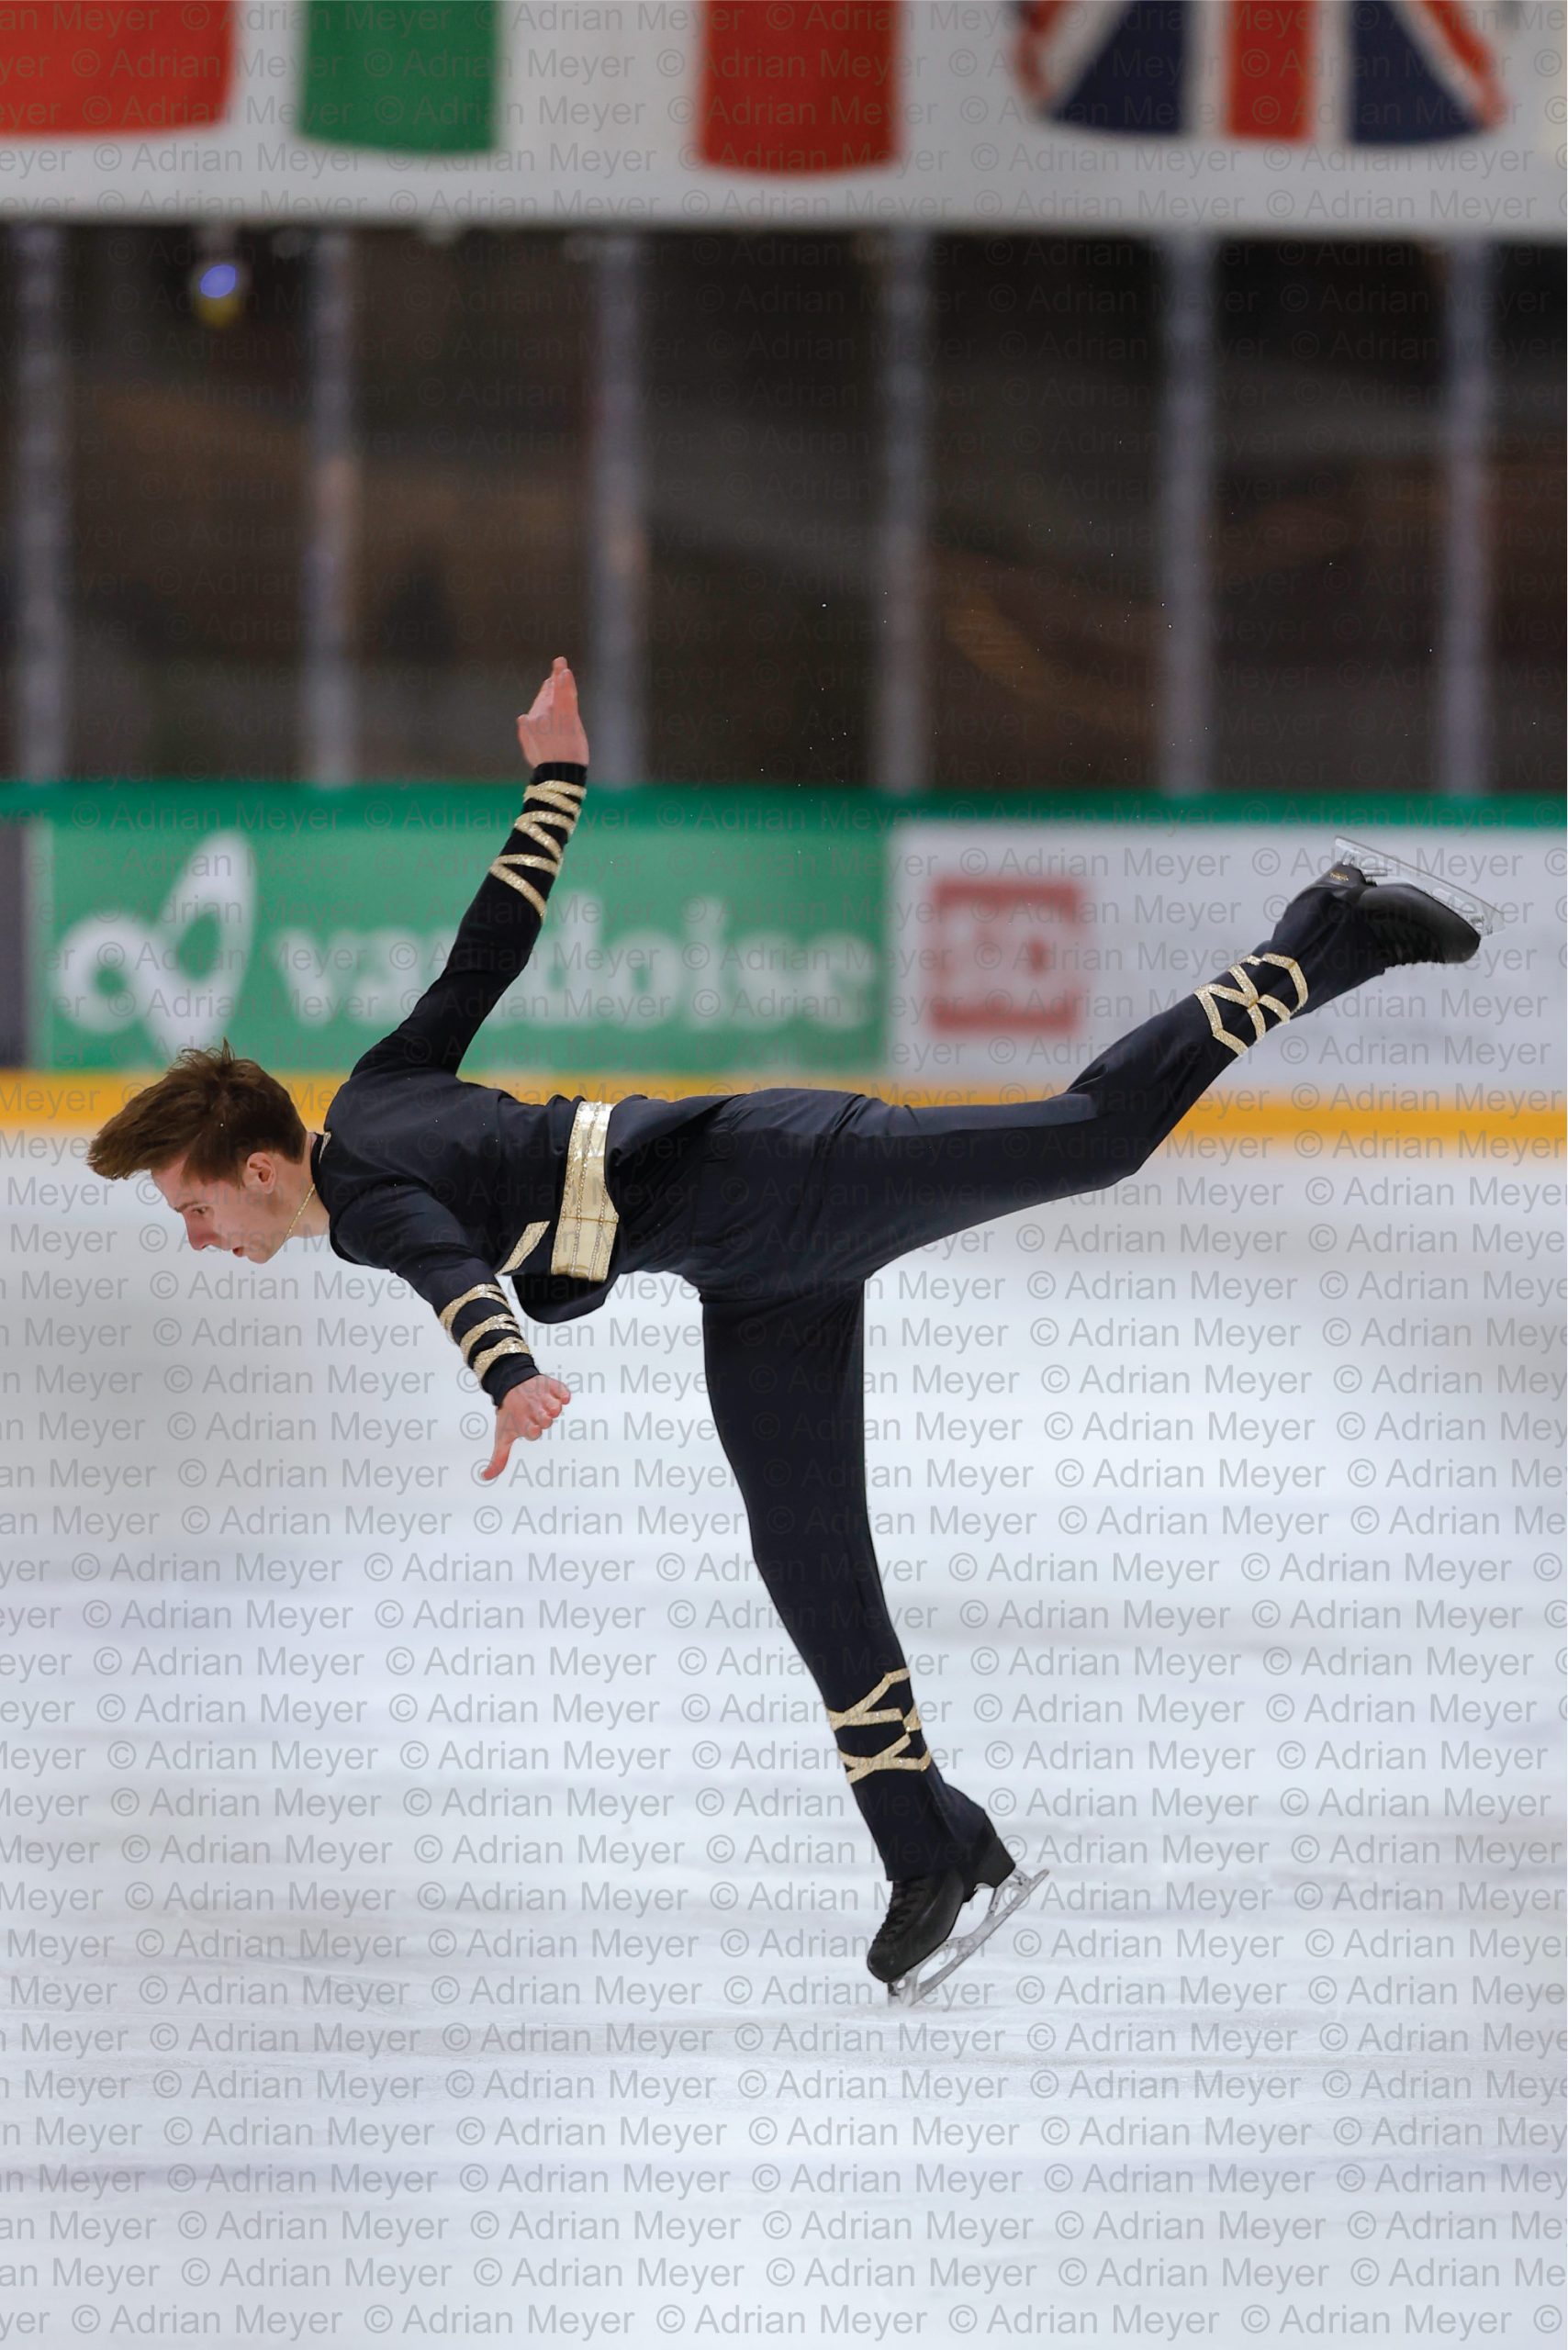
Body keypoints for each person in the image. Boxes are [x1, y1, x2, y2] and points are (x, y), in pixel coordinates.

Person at [87, 656, 1487, 1993]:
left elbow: (454, 1276)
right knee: (805, 1552)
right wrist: (557, 782)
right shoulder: (377, 1089)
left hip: (785, 1176)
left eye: (195, 1208)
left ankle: (1325, 936)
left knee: (1097, 1134)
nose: (201, 1238)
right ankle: (929, 1845)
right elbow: (489, 944)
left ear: (258, 1168)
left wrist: (506, 1375)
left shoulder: (366, 1193)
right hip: (744, 1268)